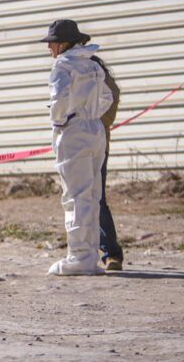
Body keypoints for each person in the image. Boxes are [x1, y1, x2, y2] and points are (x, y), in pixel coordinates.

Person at [42, 19, 113, 276]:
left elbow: (59, 99)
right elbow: (108, 97)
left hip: (74, 133)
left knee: (75, 196)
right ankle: (90, 255)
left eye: (51, 43)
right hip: (95, 130)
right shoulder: (92, 64)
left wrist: (60, 121)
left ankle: (79, 258)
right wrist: (91, 115)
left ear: (62, 44)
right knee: (92, 196)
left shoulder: (62, 66)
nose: (49, 48)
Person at [91, 52, 124, 271]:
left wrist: (91, 124)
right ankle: (81, 252)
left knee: (98, 200)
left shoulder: (93, 69)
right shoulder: (68, 70)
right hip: (74, 150)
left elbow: (112, 96)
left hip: (96, 146)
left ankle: (111, 253)